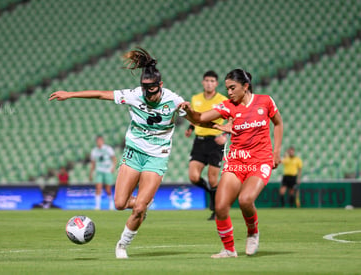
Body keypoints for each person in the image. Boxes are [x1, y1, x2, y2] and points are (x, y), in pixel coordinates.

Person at [49, 47, 220, 259]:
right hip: (133, 153)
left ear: (161, 86)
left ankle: (122, 244)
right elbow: (102, 94)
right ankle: (142, 205)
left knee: (138, 208)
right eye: (147, 92)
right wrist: (70, 94)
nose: (151, 97)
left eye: (154, 92)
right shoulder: (133, 95)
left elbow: (197, 120)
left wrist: (204, 118)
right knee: (120, 203)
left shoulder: (174, 100)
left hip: (157, 157)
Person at [180, 68, 283, 258]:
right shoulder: (227, 106)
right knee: (220, 207)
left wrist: (276, 151)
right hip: (235, 161)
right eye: (227, 89)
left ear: (245, 86)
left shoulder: (265, 101)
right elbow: (200, 118)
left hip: (260, 159)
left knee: (245, 200)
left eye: (232, 88)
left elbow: (278, 123)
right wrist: (187, 111)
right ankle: (229, 250)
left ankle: (252, 232)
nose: (229, 92)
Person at [185, 70, 228, 220]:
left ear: (216, 84)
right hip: (199, 140)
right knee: (193, 176)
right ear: (203, 82)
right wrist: (190, 128)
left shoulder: (223, 99)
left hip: (215, 141)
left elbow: (232, 119)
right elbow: (194, 117)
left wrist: (224, 135)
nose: (209, 83)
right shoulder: (195, 98)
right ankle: (211, 193)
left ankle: (217, 209)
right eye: (207, 80)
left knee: (212, 178)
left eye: (212, 81)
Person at [89, 135, 117, 210]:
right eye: (98, 141)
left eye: (100, 141)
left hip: (107, 171)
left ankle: (111, 203)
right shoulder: (94, 151)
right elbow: (93, 163)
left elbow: (114, 159)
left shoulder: (108, 149)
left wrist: (113, 167)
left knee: (108, 189)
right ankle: (97, 206)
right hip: (99, 171)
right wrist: (91, 173)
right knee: (98, 188)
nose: (99, 142)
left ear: (103, 141)